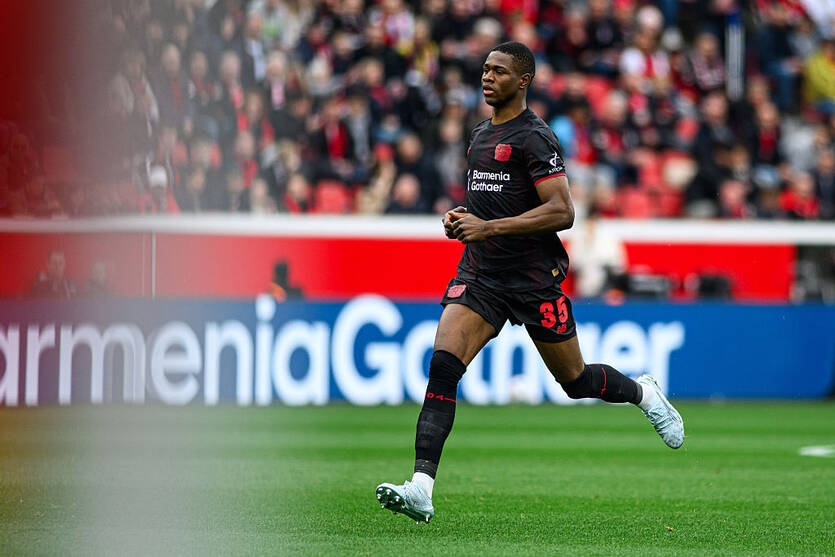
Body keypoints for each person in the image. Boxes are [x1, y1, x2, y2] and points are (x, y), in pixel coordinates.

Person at [375, 42, 684, 524]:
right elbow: (493, 203)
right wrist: (463, 217)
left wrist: (488, 228)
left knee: (576, 381)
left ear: (523, 80)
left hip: (533, 279)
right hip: (482, 276)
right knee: (443, 367)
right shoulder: (479, 135)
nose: (487, 77)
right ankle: (421, 487)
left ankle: (644, 394)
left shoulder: (536, 138)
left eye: (499, 71)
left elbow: (562, 211)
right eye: (485, 69)